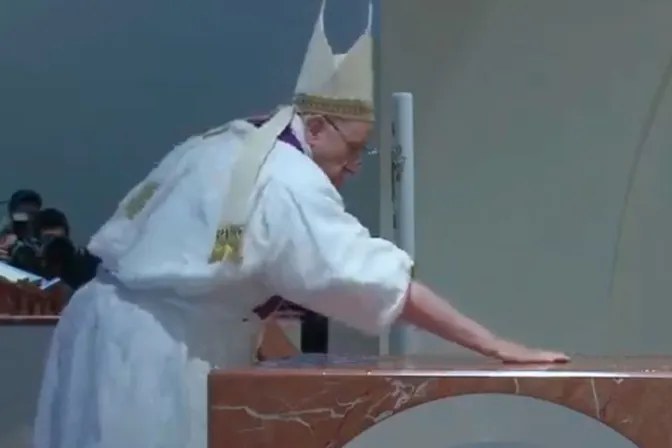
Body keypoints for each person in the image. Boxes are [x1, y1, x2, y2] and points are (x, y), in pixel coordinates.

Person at [33, 3, 568, 447]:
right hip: (154, 359)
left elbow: (224, 278)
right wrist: (494, 344)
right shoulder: (286, 178)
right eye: (353, 150)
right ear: (315, 127)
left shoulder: (232, 141)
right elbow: (379, 280)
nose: (355, 166)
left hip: (105, 334)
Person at [0, 189, 42, 261]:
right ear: (11, 213)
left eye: (33, 214)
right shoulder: (3, 235)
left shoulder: (41, 242)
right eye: (23, 214)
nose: (28, 219)